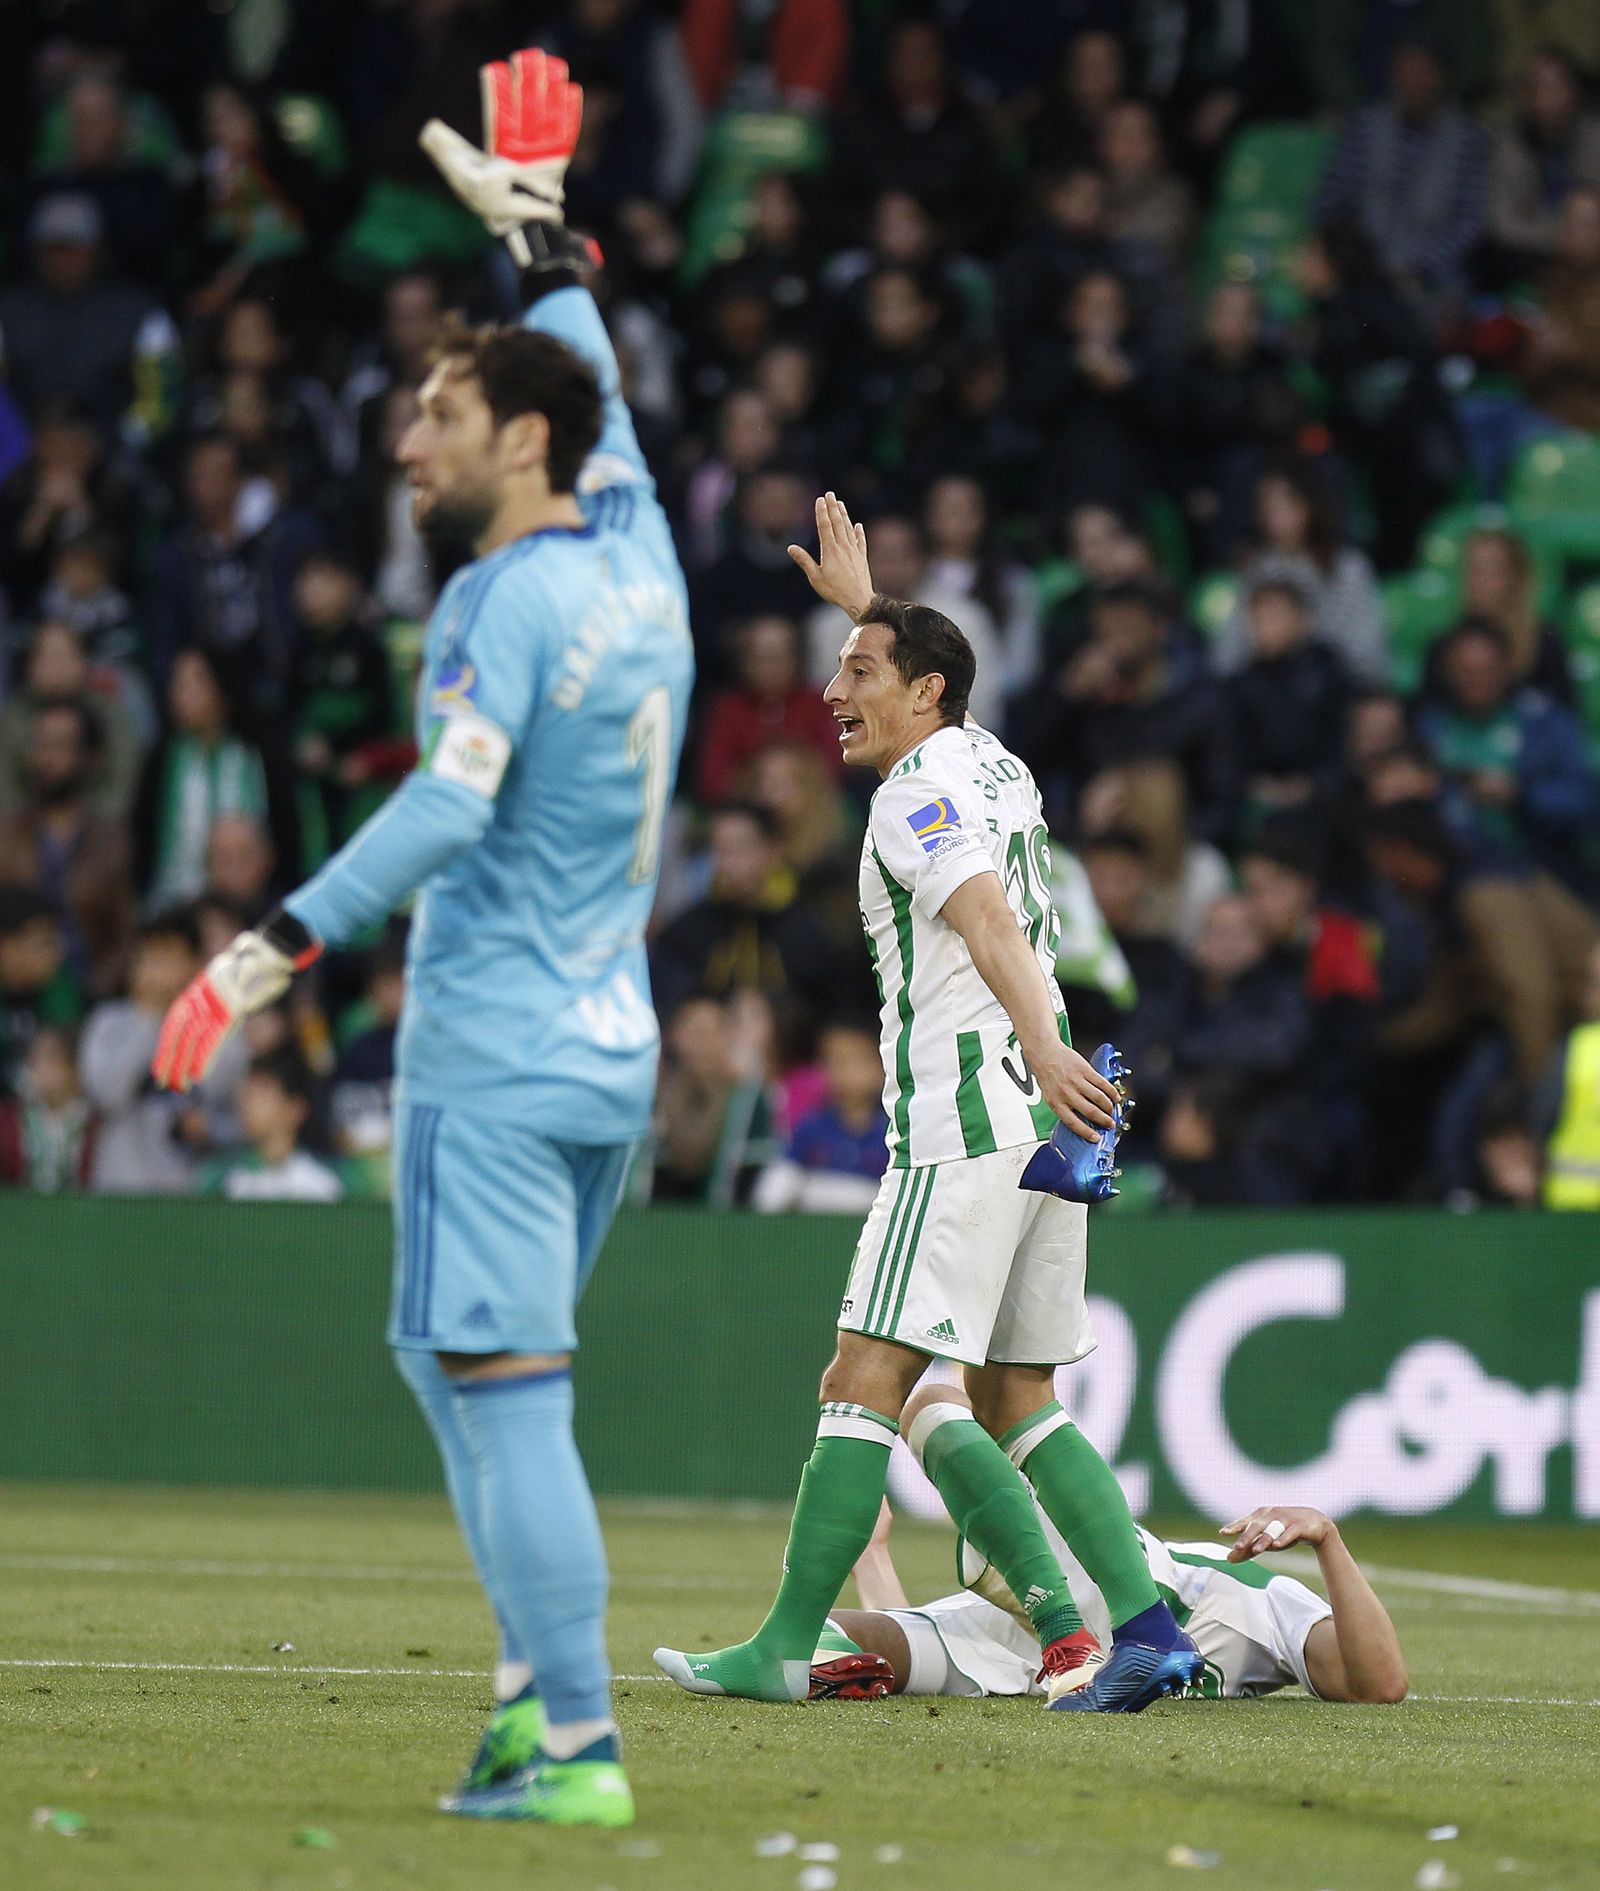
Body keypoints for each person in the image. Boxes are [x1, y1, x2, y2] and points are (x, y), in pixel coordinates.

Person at [149, 50, 692, 1830]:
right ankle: (539, 1710)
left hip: (495, 1047)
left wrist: (260, 953)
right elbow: (596, 386)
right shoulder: (639, 550)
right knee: (455, 1362)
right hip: (613, 1053)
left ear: (514, 445)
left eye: (437, 421)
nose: (406, 444)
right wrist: (535, 236)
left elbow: (452, 805)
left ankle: (576, 1740)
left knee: (505, 1386)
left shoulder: (495, 597)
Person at [655, 492, 1202, 1713]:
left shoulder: (914, 790)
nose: (833, 690)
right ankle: (1150, 1627)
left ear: (925, 696)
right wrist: (869, 609)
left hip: (962, 1128)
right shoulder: (991, 759)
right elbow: (942, 700)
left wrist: (1042, 1041)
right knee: (1016, 1396)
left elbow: (991, 922)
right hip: (1043, 1130)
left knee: (861, 1375)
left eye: (857, 670)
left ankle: (782, 1649)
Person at [816, 1378, 1407, 1706]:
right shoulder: (1219, 1580)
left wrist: (1328, 1539)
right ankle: (1071, 1637)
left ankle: (1070, 1644)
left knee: (934, 1405)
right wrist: (873, 1556)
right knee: (832, 1644)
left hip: (1032, 1656)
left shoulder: (1261, 1597)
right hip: (1059, 1613)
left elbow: (1378, 1683)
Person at [753, 1019, 888, 1214]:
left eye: (854, 1060)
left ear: (880, 1068)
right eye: (834, 1061)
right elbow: (776, 1188)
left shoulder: (892, 1133)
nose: (844, 1071)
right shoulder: (812, 1127)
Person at [199, 1046, 342, 1202]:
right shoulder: (222, 1178)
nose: (247, 1104)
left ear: (295, 1108)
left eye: (261, 1094)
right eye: (247, 1093)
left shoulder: (328, 1181)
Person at [0, 1023, 96, 1191]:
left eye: (50, 1058)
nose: (39, 1067)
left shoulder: (96, 1123)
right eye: (34, 1058)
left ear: (74, 1067)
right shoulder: (10, 1120)